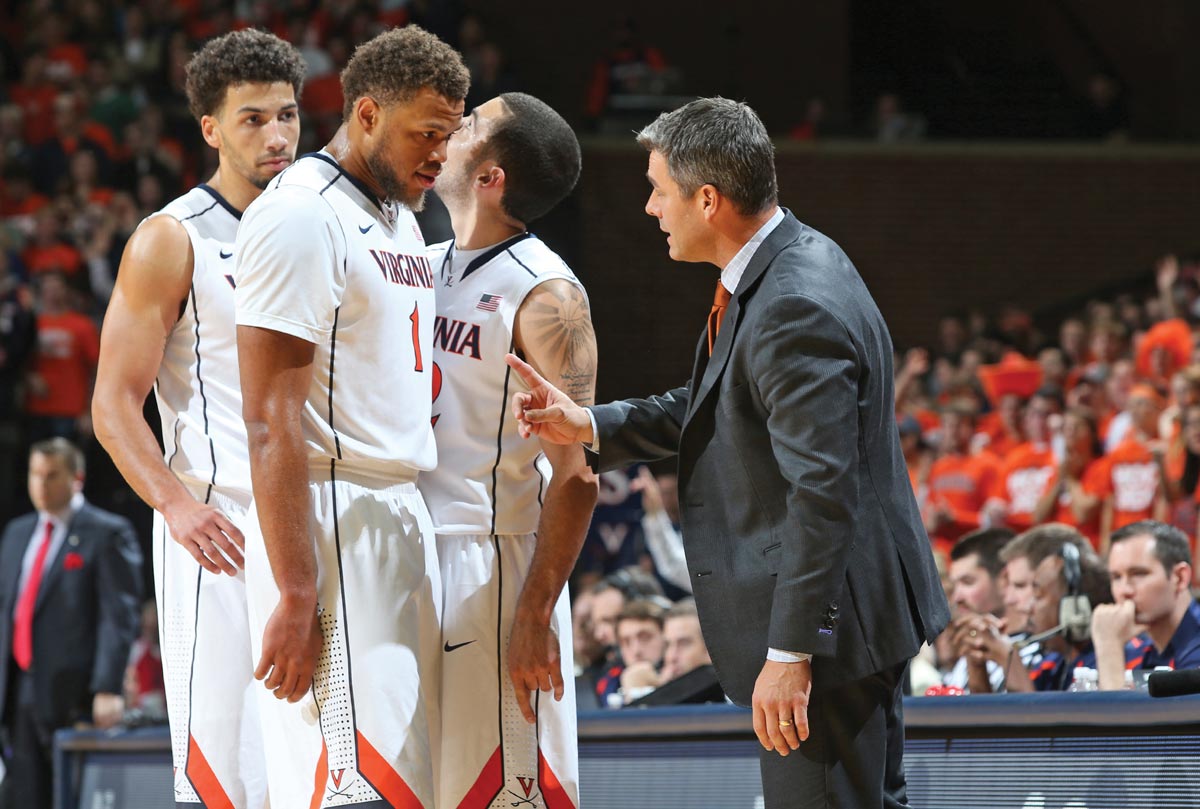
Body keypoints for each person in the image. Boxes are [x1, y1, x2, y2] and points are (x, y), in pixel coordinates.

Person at [506, 97, 949, 808]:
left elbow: (822, 494)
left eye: (658, 189)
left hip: (829, 639)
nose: (651, 207)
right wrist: (588, 422)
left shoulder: (791, 304)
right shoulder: (792, 261)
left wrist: (790, 651)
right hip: (858, 613)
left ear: (707, 199)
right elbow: (717, 400)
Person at [232, 26, 468, 809]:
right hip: (334, 516)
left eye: (450, 134)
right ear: (366, 113)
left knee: (405, 781)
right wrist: (297, 592)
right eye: (426, 133)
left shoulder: (401, 215)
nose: (440, 152)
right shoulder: (300, 214)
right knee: (359, 784)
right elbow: (269, 420)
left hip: (397, 508)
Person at [91, 29, 305, 808]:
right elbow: (112, 401)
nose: (277, 134)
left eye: (286, 114)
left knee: (314, 767)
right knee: (223, 772)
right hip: (218, 529)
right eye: (252, 119)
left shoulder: (324, 224)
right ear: (210, 128)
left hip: (313, 522)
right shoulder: (171, 237)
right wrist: (175, 505)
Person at [417, 91, 596, 807]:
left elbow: (577, 474)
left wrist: (534, 613)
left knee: (504, 789)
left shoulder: (547, 294)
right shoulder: (420, 263)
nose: (447, 133)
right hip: (415, 548)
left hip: (492, 557)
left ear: (491, 175)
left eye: (468, 126)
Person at [0, 439, 142, 809]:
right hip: (20, 689)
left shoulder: (107, 532)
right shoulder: (17, 533)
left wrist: (108, 686)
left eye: (51, 476)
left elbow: (119, 615)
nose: (40, 486)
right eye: (34, 475)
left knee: (73, 795)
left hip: (75, 695)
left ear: (76, 478)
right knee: (24, 796)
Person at [1092, 521, 1200, 690]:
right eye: (1116, 577)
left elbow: (1120, 717)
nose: (1124, 591)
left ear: (1180, 578)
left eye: (1138, 574)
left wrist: (1109, 647)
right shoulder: (1139, 648)